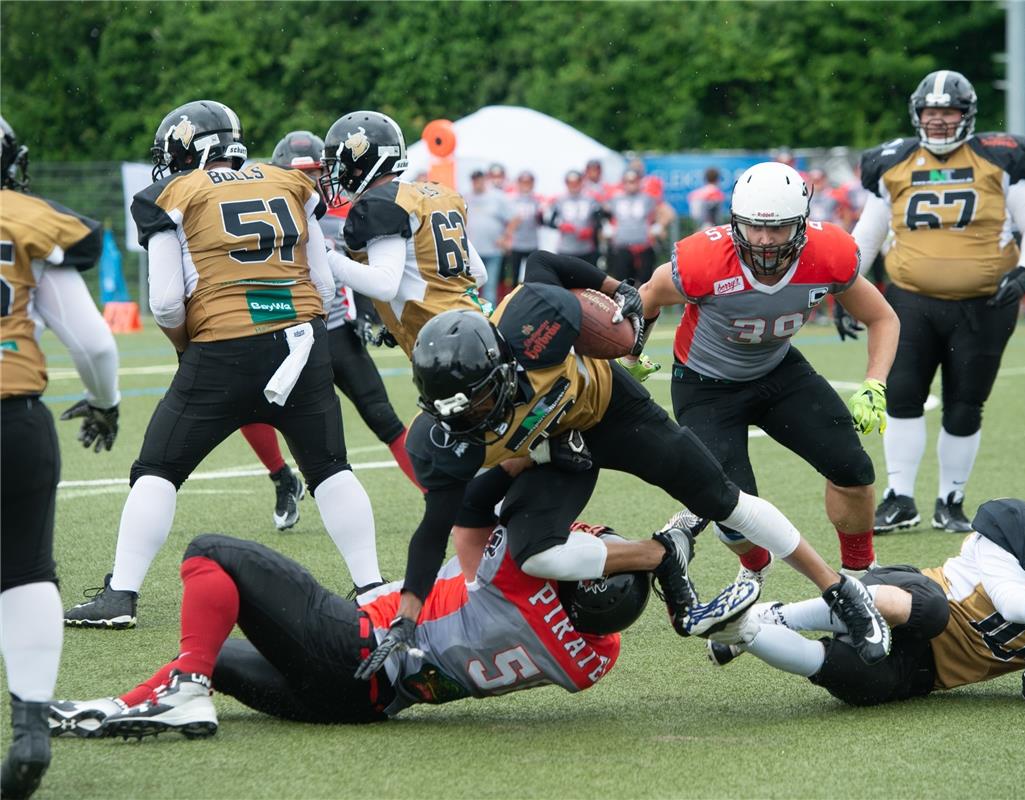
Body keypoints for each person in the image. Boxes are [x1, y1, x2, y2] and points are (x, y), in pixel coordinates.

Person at [400, 250, 892, 665]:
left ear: (502, 366)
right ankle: (663, 553)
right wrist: (407, 619)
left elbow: (543, 263)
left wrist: (619, 289)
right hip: (558, 452)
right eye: (460, 411)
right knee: (536, 555)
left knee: (724, 499)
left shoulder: (534, 321)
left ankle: (840, 591)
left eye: (483, 401)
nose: (473, 419)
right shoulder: (448, 441)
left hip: (612, 410)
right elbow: (436, 529)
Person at [63, 100, 384, 630]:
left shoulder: (171, 195)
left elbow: (166, 302)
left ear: (193, 149)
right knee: (330, 468)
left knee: (158, 469)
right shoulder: (289, 181)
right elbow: (324, 286)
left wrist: (187, 346)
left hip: (223, 344)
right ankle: (372, 587)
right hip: (303, 342)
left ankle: (121, 595)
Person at [47, 514, 755, 739]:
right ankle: (116, 709)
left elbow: (502, 513)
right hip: (369, 706)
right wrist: (659, 574)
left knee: (210, 555)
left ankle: (183, 692)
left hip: (352, 645)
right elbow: (594, 610)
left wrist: (655, 550)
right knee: (213, 658)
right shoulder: (595, 661)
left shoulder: (519, 575)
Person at [631, 161, 899, 579]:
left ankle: (862, 574)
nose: (765, 240)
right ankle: (754, 567)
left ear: (803, 224)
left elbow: (883, 318)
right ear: (736, 221)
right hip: (705, 386)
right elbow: (647, 296)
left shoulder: (829, 254)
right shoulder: (703, 260)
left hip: (777, 370)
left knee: (853, 470)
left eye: (778, 228)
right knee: (733, 506)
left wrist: (875, 383)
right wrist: (632, 354)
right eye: (754, 227)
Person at [706, 475, 1025, 708]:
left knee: (855, 681)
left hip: (928, 673)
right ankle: (781, 615)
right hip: (915, 596)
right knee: (928, 609)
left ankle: (742, 630)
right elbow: (1017, 605)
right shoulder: (1013, 529)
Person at [850, 70, 1025, 534]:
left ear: (968, 115)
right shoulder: (893, 163)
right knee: (901, 396)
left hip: (984, 303)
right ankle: (900, 498)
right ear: (917, 115)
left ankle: (951, 499)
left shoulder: (998, 159)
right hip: (910, 301)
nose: (939, 121)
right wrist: (847, 285)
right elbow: (867, 234)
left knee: (965, 402)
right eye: (931, 112)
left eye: (949, 112)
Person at [0, 115, 121, 799]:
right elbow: (96, 345)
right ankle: (30, 728)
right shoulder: (27, 218)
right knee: (24, 572)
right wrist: (104, 402)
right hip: (13, 417)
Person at [238, 130, 423, 531]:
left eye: (316, 173)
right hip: (283, 333)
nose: (308, 182)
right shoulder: (262, 215)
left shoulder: (349, 213)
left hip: (335, 330)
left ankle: (437, 497)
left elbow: (374, 271)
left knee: (383, 418)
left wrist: (373, 315)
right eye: (298, 174)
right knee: (243, 403)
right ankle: (282, 477)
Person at [320, 110, 489, 358]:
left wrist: (325, 255)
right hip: (479, 327)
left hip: (446, 343)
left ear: (362, 162)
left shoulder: (382, 203)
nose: (338, 174)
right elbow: (478, 274)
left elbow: (383, 285)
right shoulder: (435, 193)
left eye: (342, 166)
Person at [603, 169, 675, 285]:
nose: (631, 184)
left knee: (645, 286)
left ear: (639, 182)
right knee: (621, 286)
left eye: (633, 181)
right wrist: (606, 226)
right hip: (622, 247)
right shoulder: (615, 198)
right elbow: (601, 212)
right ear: (623, 182)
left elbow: (668, 213)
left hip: (643, 247)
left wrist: (658, 226)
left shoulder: (647, 198)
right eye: (628, 181)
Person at [465, 168, 515, 304]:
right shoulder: (465, 197)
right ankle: (472, 313)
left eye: (479, 179)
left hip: (493, 249)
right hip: (472, 252)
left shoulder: (497, 197)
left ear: (485, 180)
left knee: (490, 287)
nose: (477, 183)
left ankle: (489, 318)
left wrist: (505, 237)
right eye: (474, 180)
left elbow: (514, 218)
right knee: (470, 287)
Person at [547, 170, 603, 266]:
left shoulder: (591, 199)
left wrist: (591, 230)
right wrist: (561, 226)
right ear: (566, 183)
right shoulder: (559, 200)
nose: (573, 185)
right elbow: (549, 221)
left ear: (581, 182)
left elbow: (599, 221)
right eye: (570, 183)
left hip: (586, 249)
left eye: (576, 182)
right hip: (566, 248)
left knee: (587, 279)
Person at [502, 170, 542, 289]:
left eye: (528, 182)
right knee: (513, 277)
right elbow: (506, 222)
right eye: (523, 182)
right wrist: (507, 237)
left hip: (532, 243)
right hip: (516, 243)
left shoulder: (537, 200)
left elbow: (543, 222)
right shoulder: (511, 200)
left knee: (533, 277)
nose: (526, 185)